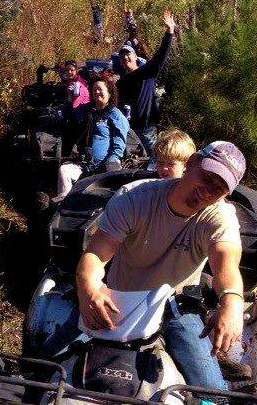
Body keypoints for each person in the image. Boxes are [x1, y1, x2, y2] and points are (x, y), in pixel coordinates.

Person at [76, 141, 247, 391]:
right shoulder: (134, 198)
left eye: (219, 188)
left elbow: (227, 264)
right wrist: (89, 286)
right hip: (118, 299)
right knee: (46, 367)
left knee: (211, 390)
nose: (209, 191)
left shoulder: (220, 217)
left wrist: (232, 301)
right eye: (208, 177)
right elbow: (95, 254)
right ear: (190, 163)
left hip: (174, 306)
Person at [116, 10, 175, 165]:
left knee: (155, 160)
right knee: (131, 162)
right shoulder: (120, 82)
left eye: (128, 55)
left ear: (135, 57)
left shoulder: (146, 73)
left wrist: (169, 32)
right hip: (128, 130)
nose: (125, 58)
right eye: (122, 57)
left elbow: (161, 56)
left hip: (145, 128)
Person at [57, 78, 129, 198]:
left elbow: (119, 142)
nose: (96, 92)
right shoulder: (86, 109)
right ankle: (62, 205)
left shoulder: (115, 115)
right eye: (94, 89)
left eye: (100, 89)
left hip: (106, 163)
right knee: (64, 171)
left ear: (109, 93)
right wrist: (69, 99)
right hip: (84, 163)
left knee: (116, 180)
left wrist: (112, 159)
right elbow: (70, 112)